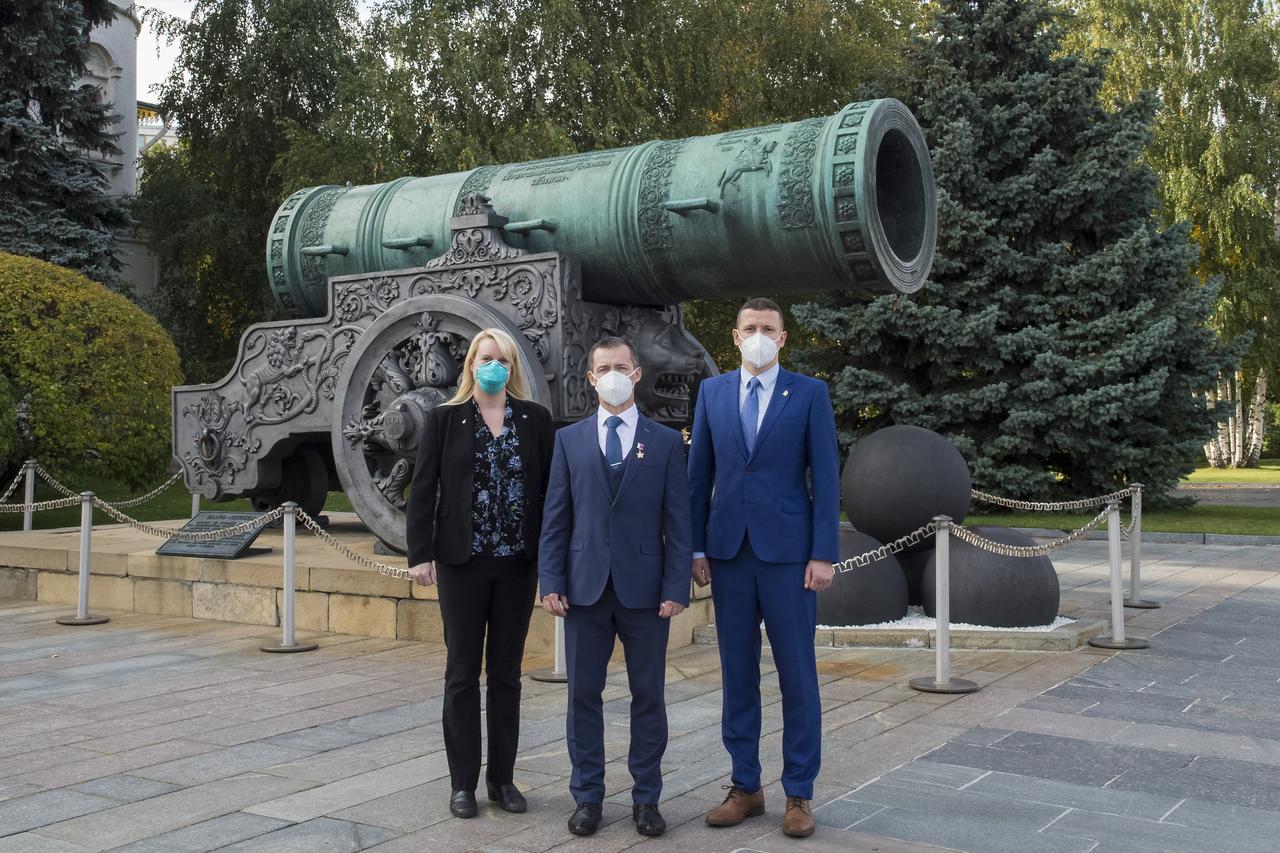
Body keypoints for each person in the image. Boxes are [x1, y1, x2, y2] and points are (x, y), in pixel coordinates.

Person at [687, 297, 839, 839]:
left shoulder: (810, 394)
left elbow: (825, 477)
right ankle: (745, 786)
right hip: (728, 554)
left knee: (797, 675)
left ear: (782, 338)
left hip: (790, 557)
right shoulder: (712, 392)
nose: (758, 335)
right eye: (749, 327)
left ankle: (799, 792)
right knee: (738, 674)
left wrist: (823, 553)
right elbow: (697, 475)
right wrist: (696, 549)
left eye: (767, 328)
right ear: (734, 336)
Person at [538, 336, 692, 838]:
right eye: (603, 367)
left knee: (649, 696)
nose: (612, 374)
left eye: (620, 366)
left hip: (646, 592)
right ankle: (588, 797)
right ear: (590, 377)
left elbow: (679, 520)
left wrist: (676, 586)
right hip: (583, 589)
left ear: (636, 373)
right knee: (583, 697)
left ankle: (647, 798)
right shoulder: (569, 441)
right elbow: (555, 518)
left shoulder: (666, 442)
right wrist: (551, 580)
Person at [405, 327, 554, 819]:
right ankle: (462, 783)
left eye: (504, 360)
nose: (495, 367)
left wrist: (552, 561)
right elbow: (423, 489)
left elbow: (551, 495)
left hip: (516, 564)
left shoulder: (534, 420)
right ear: (470, 364)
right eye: (486, 358)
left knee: (507, 674)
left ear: (513, 368)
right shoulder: (445, 419)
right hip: (461, 564)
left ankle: (503, 780)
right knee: (462, 673)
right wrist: (419, 555)